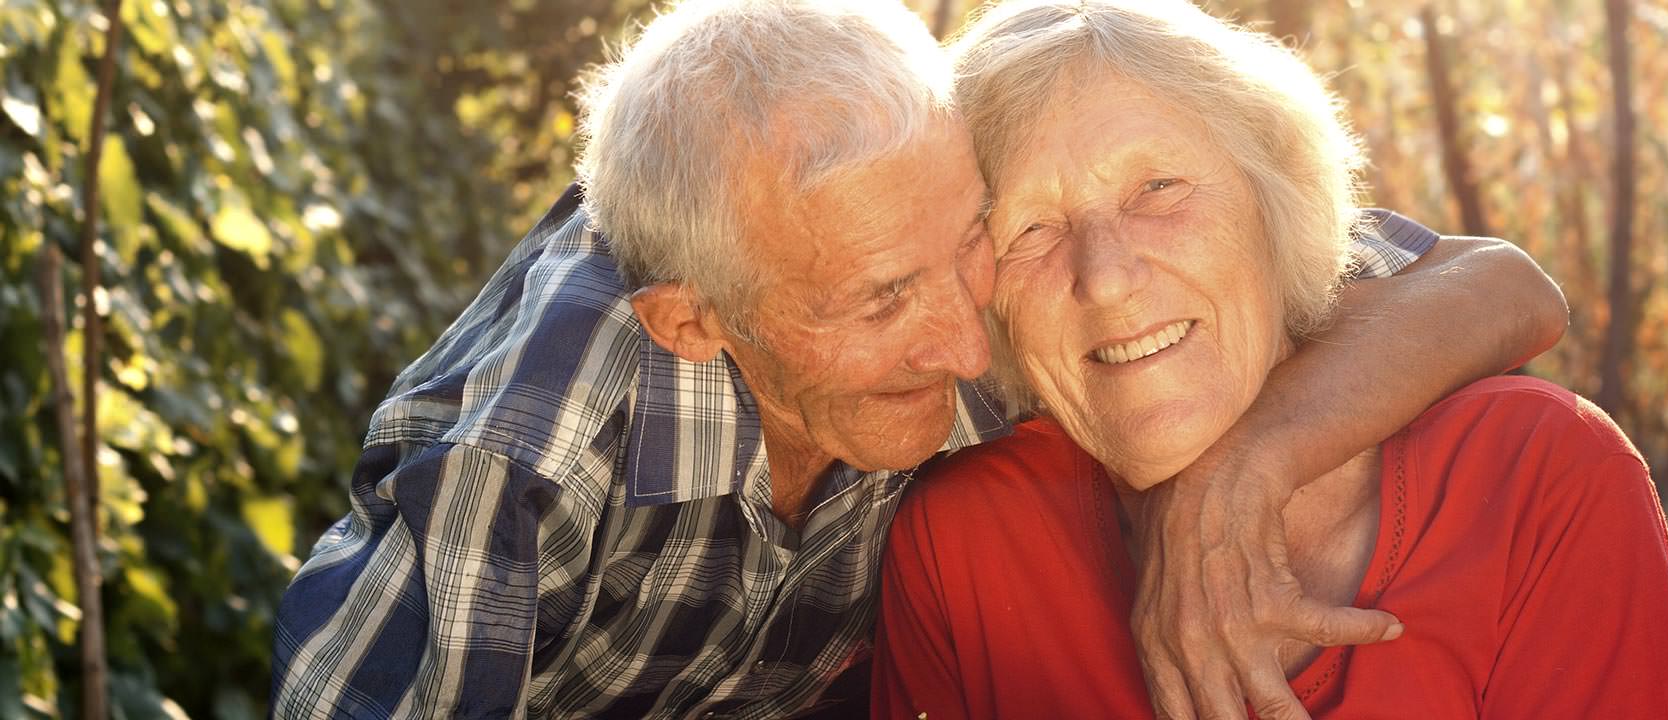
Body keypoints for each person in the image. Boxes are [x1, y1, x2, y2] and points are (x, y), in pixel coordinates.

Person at [270, 0, 1565, 717]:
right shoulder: (536, 451)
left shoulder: (981, 229)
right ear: (697, 322)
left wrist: (1245, 477)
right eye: (884, 299)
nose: (965, 337)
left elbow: (1497, 283)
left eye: (969, 248)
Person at [872, 1, 1668, 718]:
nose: (1105, 278)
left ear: (1280, 205)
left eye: (1157, 190)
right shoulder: (963, 542)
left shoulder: (1535, 472)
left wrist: (1234, 479)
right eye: (1030, 230)